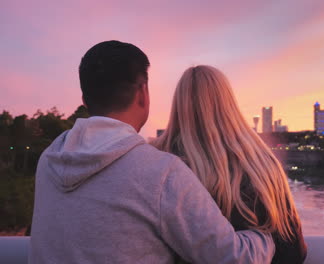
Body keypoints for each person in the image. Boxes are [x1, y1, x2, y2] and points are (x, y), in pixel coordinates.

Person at [29, 41, 275, 264]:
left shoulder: (49, 160)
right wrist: (268, 239)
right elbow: (233, 258)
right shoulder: (161, 173)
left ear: (85, 99)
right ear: (143, 93)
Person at [155, 65, 307, 263]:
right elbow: (293, 252)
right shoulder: (261, 164)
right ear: (228, 103)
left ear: (178, 105)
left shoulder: (158, 160)